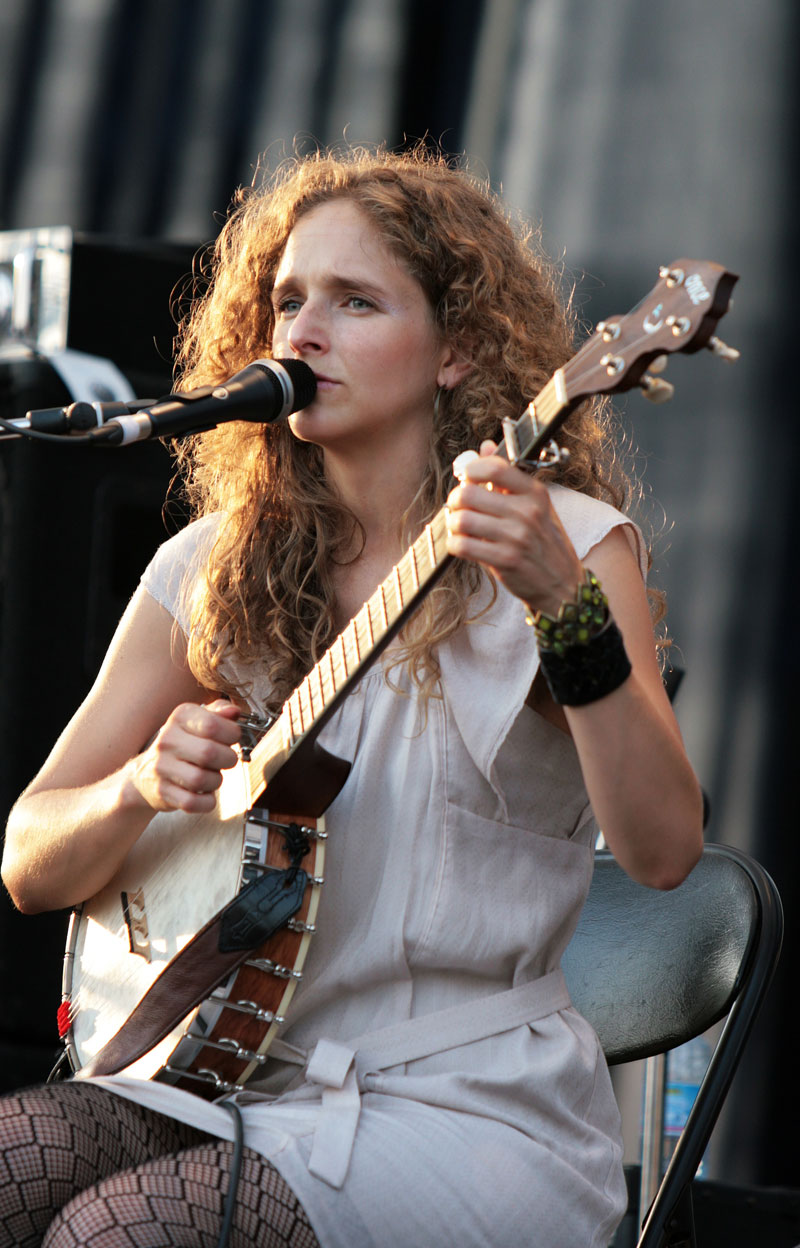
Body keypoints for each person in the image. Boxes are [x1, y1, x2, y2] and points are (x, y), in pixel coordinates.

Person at [0, 146, 703, 1248]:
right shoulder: (212, 565)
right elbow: (27, 859)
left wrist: (559, 605)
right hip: (225, 1081)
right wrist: (138, 787)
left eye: (354, 301)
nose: (301, 332)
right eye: (287, 300)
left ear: (456, 349)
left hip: (471, 1118)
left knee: (118, 1235)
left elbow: (661, 849)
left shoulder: (562, 544)